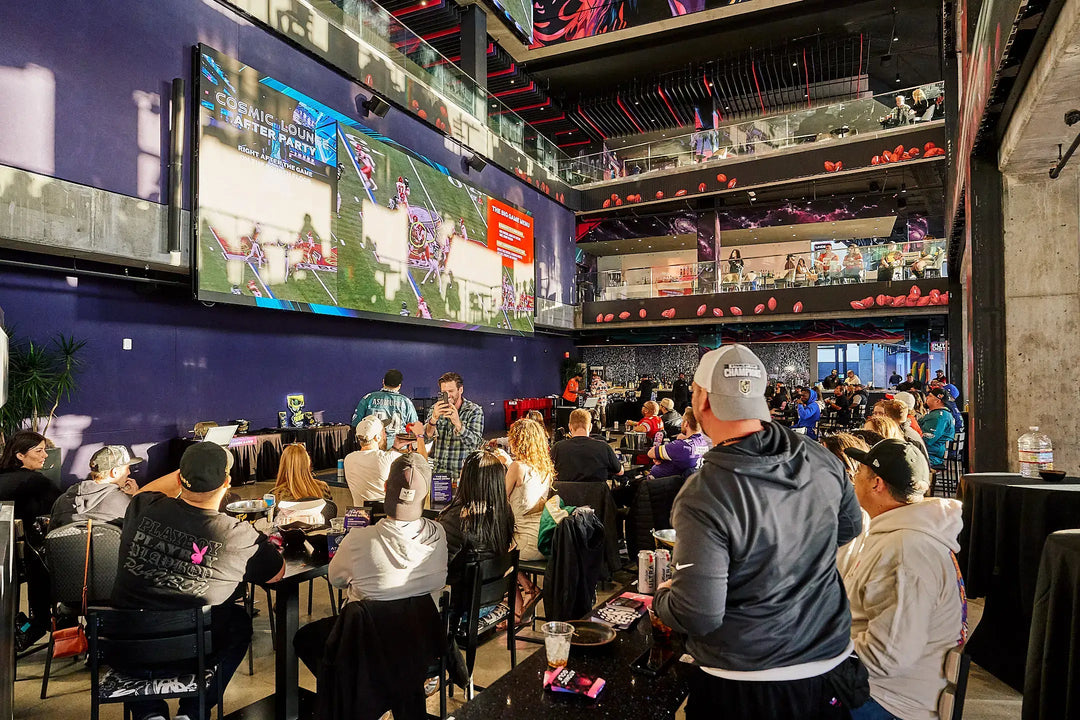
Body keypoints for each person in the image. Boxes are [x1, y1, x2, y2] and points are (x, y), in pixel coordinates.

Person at [653, 344, 863, 719]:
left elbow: (698, 614)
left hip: (743, 685)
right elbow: (848, 529)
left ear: (702, 400)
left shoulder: (704, 493)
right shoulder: (822, 458)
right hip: (828, 671)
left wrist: (663, 596)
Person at [111, 441, 285, 720]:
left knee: (140, 633)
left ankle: (149, 712)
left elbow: (145, 490)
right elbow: (277, 573)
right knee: (238, 623)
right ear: (227, 482)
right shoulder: (240, 536)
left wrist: (185, 473)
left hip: (124, 646)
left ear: (179, 478)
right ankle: (193, 711)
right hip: (193, 651)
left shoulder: (143, 507)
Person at [842, 439, 966, 720]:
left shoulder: (906, 551)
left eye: (858, 473)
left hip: (887, 701)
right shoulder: (900, 537)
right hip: (881, 689)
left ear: (877, 484)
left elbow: (887, 657)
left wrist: (818, 656)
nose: (853, 479)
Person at [329, 452, 447, 603]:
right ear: (426, 494)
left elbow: (336, 580)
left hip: (368, 626)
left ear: (385, 486)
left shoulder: (357, 540)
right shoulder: (438, 534)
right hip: (422, 625)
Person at [0, 430, 60, 649]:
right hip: (28, 560)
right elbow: (64, 506)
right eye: (39, 451)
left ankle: (30, 628)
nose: (45, 455)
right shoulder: (34, 481)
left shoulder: (5, 479)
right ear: (20, 455)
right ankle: (42, 627)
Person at [437, 450, 515, 590]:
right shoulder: (504, 511)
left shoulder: (458, 517)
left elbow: (438, 564)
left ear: (467, 477)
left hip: (458, 603)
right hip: (492, 595)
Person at [50, 444, 142, 528]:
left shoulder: (60, 501)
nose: (129, 473)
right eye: (127, 469)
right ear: (114, 472)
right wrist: (134, 499)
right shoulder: (124, 502)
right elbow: (138, 529)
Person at [500, 418, 553, 562]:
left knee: (488, 545)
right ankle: (525, 583)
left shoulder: (517, 467)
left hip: (522, 545)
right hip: (544, 542)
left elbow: (499, 501)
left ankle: (517, 583)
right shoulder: (545, 468)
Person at [423, 371, 484, 477]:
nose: (448, 395)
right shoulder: (435, 408)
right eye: (444, 392)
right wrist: (433, 420)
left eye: (451, 391)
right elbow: (425, 439)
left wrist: (458, 424)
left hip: (463, 474)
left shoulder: (474, 410)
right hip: (439, 474)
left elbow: (475, 443)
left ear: (461, 390)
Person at [550, 409, 623, 484]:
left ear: (570, 427)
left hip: (564, 495)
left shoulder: (557, 448)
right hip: (597, 495)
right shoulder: (603, 447)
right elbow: (620, 472)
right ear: (590, 427)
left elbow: (547, 472)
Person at [271, 444, 336, 524]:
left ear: (283, 465)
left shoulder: (276, 494)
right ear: (308, 463)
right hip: (320, 534)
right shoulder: (323, 488)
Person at [351, 369, 419, 438]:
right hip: (398, 444)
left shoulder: (368, 398)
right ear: (399, 386)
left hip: (374, 443)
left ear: (383, 382)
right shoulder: (406, 402)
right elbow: (414, 427)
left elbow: (356, 423)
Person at [647, 409, 711, 478]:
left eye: (682, 421)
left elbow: (651, 453)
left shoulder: (682, 447)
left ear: (686, 423)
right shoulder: (703, 443)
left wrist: (659, 457)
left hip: (661, 484)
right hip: (686, 481)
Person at [345, 416, 393, 504]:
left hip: (358, 516)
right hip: (385, 515)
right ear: (377, 437)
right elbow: (420, 462)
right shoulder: (387, 458)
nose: (385, 435)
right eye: (383, 432)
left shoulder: (349, 459)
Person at [921, 388, 956, 468]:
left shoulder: (938, 417)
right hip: (934, 453)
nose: (926, 398)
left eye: (930, 396)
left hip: (931, 456)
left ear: (937, 401)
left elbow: (926, 440)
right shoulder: (942, 414)